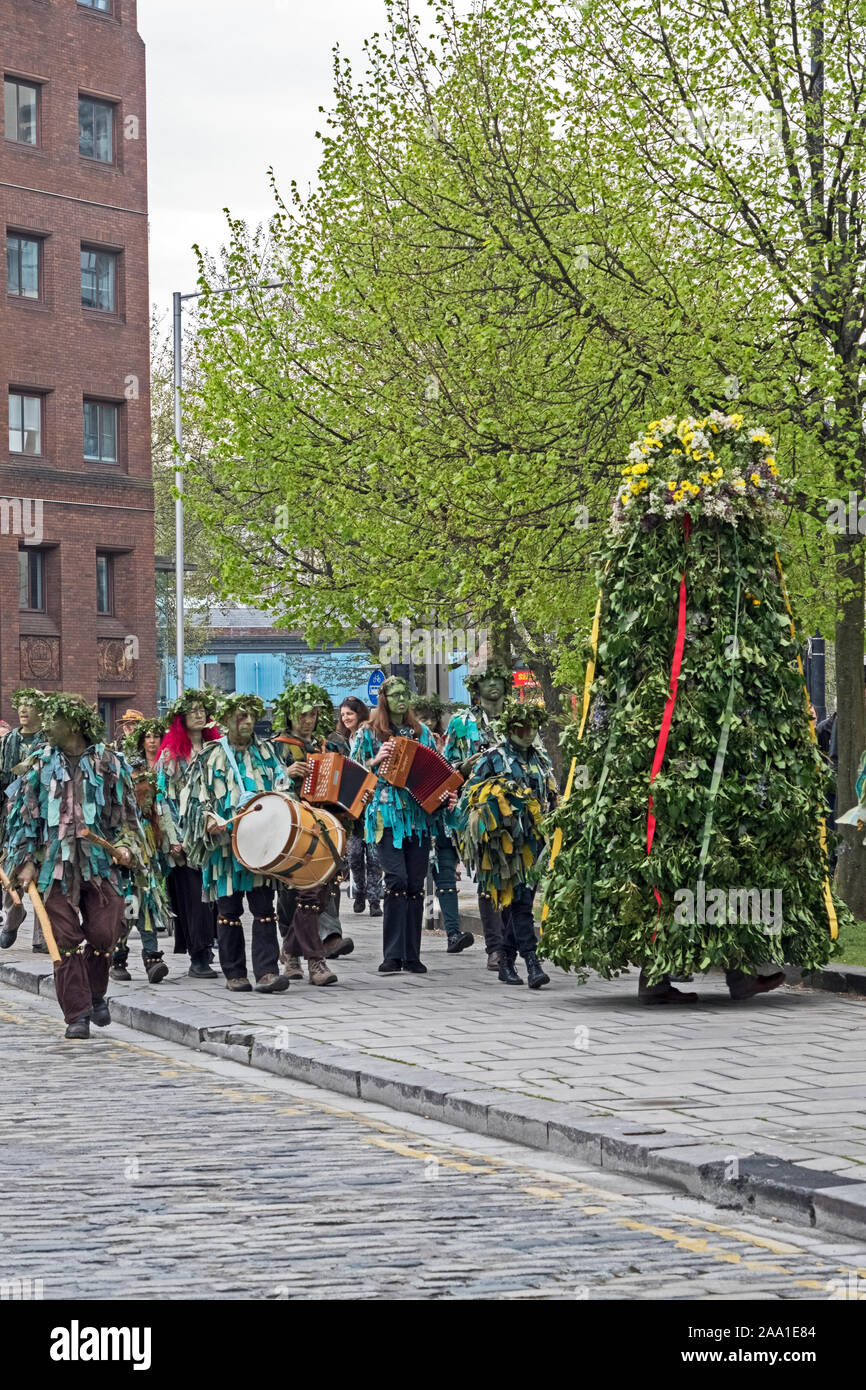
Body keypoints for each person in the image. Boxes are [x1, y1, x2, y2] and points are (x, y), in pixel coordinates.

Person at [4, 693, 146, 1039]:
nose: (46, 726)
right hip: (54, 867)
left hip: (100, 866)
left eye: (52, 720)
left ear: (73, 724)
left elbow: (129, 816)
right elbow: (21, 818)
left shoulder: (110, 762)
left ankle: (96, 994)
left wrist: (126, 846)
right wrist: (23, 861)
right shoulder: (38, 764)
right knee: (65, 939)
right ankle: (77, 1015)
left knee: (103, 931)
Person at [182, 693, 291, 994]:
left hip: (261, 845)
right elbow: (195, 801)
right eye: (241, 716)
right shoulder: (210, 755)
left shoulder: (268, 753)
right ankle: (234, 973)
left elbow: (284, 788)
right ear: (227, 720)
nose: (248, 722)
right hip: (225, 848)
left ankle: (267, 972)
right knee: (228, 909)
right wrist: (208, 821)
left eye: (252, 716)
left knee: (263, 906)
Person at [353, 676, 458, 975]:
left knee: (414, 884)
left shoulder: (421, 733)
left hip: (418, 818)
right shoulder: (369, 734)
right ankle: (391, 954)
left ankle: (412, 955)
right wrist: (375, 759)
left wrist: (447, 794)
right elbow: (354, 770)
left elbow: (439, 771)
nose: (401, 699)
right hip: (385, 817)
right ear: (384, 699)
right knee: (396, 880)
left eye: (405, 695)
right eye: (395, 694)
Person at [456, 698, 559, 988]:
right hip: (505, 848)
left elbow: (550, 794)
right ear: (511, 728)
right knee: (521, 905)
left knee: (521, 903)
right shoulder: (492, 758)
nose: (528, 732)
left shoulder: (539, 758)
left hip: (533, 844)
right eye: (522, 727)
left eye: (533, 727)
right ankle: (532, 963)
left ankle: (505, 960)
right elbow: (470, 798)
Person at [271, 681, 350, 985]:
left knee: (316, 891)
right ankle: (296, 955)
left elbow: (342, 779)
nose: (308, 720)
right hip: (289, 829)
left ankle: (308, 957)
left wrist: (355, 800)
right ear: (290, 715)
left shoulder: (326, 745)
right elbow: (263, 783)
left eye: (314, 714)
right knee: (290, 892)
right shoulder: (278, 745)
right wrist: (285, 774)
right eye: (303, 714)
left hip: (322, 827)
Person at [443, 665, 512, 969]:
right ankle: (495, 947)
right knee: (487, 875)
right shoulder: (461, 723)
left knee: (517, 876)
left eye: (498, 679)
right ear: (476, 688)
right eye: (487, 681)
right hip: (478, 809)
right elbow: (446, 768)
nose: (493, 685)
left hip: (516, 808)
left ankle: (513, 941)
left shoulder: (518, 718)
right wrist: (464, 767)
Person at [155, 690, 221, 980]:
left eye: (202, 710)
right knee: (193, 898)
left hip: (213, 834)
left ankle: (209, 948)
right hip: (184, 837)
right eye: (192, 710)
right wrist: (173, 838)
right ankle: (197, 954)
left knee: (214, 897)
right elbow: (161, 799)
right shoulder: (171, 756)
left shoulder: (217, 750)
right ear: (181, 718)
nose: (198, 714)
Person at [109, 718, 172, 985]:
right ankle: (118, 957)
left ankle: (152, 958)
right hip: (123, 852)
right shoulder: (117, 786)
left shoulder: (150, 786)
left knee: (146, 903)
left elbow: (157, 815)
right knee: (126, 906)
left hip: (147, 854)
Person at [416, 693, 474, 956]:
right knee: (413, 880)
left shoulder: (450, 744)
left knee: (446, 874)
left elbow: (453, 777)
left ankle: (453, 933)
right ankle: (408, 938)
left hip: (444, 822)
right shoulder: (412, 743)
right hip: (415, 823)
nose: (426, 724)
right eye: (421, 719)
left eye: (430, 719)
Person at [0, 688, 47, 952]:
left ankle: (42, 936)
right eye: (21, 704)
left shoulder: (50, 742)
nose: (24, 709)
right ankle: (13, 917)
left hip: (44, 819)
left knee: (46, 875)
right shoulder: (8, 743)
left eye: (30, 704)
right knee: (10, 873)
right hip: (13, 819)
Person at [338, 698, 382, 917]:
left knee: (373, 854)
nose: (346, 718)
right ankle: (359, 891)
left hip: (371, 799)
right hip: (352, 803)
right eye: (343, 714)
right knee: (354, 854)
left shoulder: (368, 733)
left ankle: (375, 900)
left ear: (359, 714)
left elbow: (374, 762)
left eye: (350, 714)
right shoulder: (346, 739)